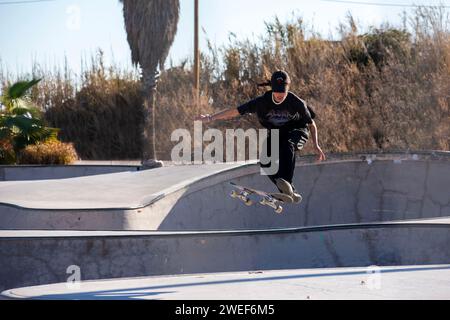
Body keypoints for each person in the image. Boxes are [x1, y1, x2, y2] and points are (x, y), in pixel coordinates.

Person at [195, 70, 326, 202]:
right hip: (277, 133)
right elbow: (235, 111)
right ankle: (288, 192)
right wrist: (211, 117)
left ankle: (288, 182)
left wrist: (316, 144)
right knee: (266, 162)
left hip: (298, 131)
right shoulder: (262, 102)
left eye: (283, 93)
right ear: (272, 89)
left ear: (288, 89)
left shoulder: (296, 103)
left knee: (287, 144)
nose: (280, 96)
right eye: (277, 92)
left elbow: (311, 124)